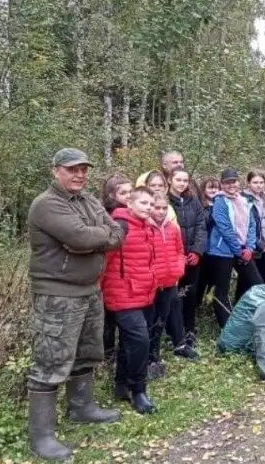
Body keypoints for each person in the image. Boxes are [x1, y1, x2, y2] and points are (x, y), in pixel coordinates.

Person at [27, 148, 123, 460]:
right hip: (57, 295)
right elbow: (80, 238)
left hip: (89, 291)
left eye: (83, 169)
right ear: (55, 170)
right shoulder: (46, 204)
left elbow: (118, 234)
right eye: (72, 169)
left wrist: (92, 237)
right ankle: (41, 436)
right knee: (51, 361)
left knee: (87, 354)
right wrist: (95, 237)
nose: (79, 175)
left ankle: (82, 408)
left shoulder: (89, 200)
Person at [102, 187, 158, 415]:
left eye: (152, 204)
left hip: (144, 292)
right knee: (140, 341)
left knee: (129, 342)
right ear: (130, 205)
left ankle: (120, 384)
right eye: (144, 203)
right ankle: (138, 390)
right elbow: (104, 261)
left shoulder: (146, 228)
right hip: (121, 293)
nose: (149, 208)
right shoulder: (120, 227)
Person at [206, 168, 263, 327]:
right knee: (222, 290)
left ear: (239, 182)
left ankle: (244, 315)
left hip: (244, 249)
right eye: (227, 182)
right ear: (222, 184)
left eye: (234, 181)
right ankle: (226, 327)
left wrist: (250, 248)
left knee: (256, 282)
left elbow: (251, 225)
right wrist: (239, 251)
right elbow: (225, 229)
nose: (231, 185)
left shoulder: (244, 200)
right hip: (222, 252)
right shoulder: (220, 202)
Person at [167, 168, 206, 359]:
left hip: (192, 256)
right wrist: (178, 255)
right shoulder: (165, 201)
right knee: (174, 297)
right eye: (178, 180)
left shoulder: (193, 200)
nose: (182, 183)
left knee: (190, 294)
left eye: (185, 180)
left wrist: (197, 251)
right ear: (170, 180)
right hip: (174, 257)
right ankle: (174, 333)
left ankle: (190, 330)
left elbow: (201, 225)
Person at [147, 191, 186, 379]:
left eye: (164, 208)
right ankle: (146, 359)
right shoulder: (146, 228)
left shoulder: (172, 228)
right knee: (149, 322)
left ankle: (154, 356)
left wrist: (178, 269)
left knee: (161, 321)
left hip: (169, 282)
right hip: (152, 284)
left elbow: (179, 251)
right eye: (156, 208)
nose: (160, 211)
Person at [99, 173, 132, 366]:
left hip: (126, 273)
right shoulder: (115, 219)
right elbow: (109, 253)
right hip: (113, 275)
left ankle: (114, 355)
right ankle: (108, 356)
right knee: (109, 319)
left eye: (131, 191)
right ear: (112, 195)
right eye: (123, 192)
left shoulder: (132, 213)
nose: (128, 195)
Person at [191, 176, 220, 334]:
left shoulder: (221, 203)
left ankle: (207, 308)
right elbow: (205, 224)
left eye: (216, 187)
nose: (214, 191)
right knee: (200, 282)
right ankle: (195, 308)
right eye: (210, 188)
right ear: (204, 190)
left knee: (214, 282)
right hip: (204, 250)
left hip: (217, 250)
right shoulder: (202, 206)